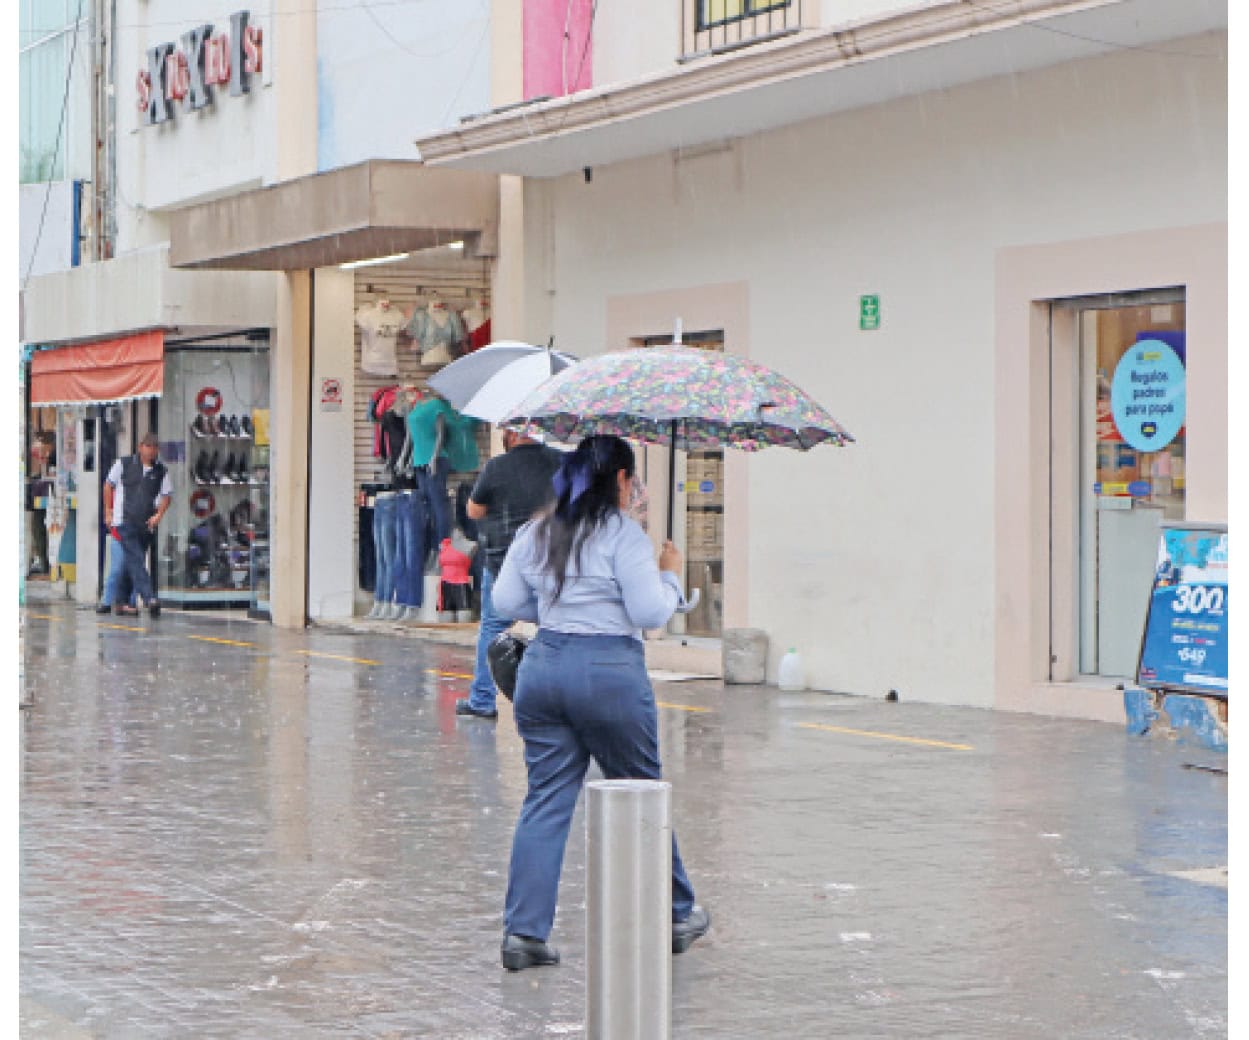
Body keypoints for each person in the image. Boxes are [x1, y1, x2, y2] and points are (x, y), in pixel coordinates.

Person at [491, 434, 710, 971]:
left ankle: (524, 933)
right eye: (632, 479)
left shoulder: (536, 531)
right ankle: (678, 910)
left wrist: (558, 607)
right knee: (640, 792)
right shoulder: (625, 537)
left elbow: (504, 602)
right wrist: (669, 573)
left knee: (545, 799)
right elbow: (649, 612)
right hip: (609, 672)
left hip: (544, 670)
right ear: (619, 480)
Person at [457, 428, 563, 720]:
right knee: (554, 629)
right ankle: (555, 701)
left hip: (504, 563)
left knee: (493, 628)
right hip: (551, 562)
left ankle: (482, 701)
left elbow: (474, 511)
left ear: (512, 435)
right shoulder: (560, 462)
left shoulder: (497, 467)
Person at [102, 433, 172, 616]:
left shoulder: (161, 472)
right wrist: (108, 511)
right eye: (148, 447)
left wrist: (158, 515)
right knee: (134, 560)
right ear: (140, 447)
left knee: (134, 561)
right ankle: (149, 598)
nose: (151, 451)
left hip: (146, 524)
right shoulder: (123, 464)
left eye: (154, 448)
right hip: (123, 522)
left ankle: (122, 602)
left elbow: (166, 496)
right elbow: (108, 485)